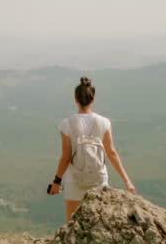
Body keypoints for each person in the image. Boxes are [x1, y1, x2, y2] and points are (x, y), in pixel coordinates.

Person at [47, 76, 136, 220]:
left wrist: (57, 182)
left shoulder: (66, 123)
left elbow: (66, 157)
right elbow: (111, 152)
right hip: (99, 179)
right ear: (93, 99)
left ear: (76, 99)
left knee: (72, 223)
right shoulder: (104, 123)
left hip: (75, 179)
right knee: (100, 221)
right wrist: (127, 181)